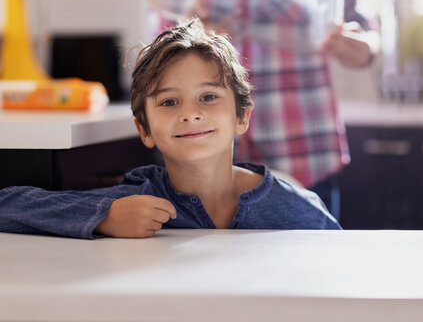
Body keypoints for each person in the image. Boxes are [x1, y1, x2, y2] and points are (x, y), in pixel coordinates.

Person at [0, 19, 341, 239]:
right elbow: (7, 204)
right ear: (144, 129)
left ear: (242, 117)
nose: (191, 114)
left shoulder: (296, 207)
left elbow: (342, 264)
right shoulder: (134, 201)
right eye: (168, 102)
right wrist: (103, 216)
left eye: (208, 97)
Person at [155, 0, 379, 219]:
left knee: (310, 258)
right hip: (202, 155)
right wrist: (188, 34)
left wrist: (365, 47)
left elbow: (362, 27)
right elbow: (160, 39)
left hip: (303, 152)